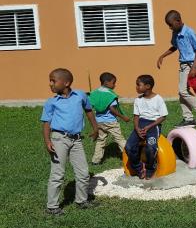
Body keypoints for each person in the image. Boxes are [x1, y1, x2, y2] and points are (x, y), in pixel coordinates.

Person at [41, 68, 99, 215]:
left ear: (66, 82)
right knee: (57, 174)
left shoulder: (80, 95)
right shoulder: (51, 102)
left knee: (83, 173)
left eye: (53, 81)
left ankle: (81, 200)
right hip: (59, 139)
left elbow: (89, 110)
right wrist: (48, 141)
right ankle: (52, 206)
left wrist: (95, 127)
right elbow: (46, 123)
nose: (50, 84)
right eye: (50, 81)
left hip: (77, 140)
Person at [156, 10, 196, 127]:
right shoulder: (175, 32)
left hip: (191, 64)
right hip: (183, 65)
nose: (169, 27)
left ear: (178, 21)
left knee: (183, 91)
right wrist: (162, 56)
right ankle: (188, 118)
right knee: (181, 93)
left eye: (171, 24)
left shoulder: (189, 32)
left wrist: (194, 68)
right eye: (168, 25)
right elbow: (174, 47)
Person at [125, 75, 168, 180]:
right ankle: (138, 168)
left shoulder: (158, 99)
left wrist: (149, 127)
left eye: (138, 85)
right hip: (140, 125)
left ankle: (150, 167)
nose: (136, 87)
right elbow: (136, 117)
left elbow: (163, 117)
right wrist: (137, 129)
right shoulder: (138, 100)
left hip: (153, 125)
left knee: (151, 148)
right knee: (129, 147)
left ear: (148, 86)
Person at [89, 72, 130, 165]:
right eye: (113, 82)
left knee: (100, 140)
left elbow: (91, 106)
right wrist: (123, 117)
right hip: (111, 122)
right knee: (119, 139)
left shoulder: (94, 93)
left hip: (99, 122)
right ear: (106, 83)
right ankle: (130, 156)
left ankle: (95, 160)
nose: (114, 85)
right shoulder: (110, 95)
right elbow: (112, 109)